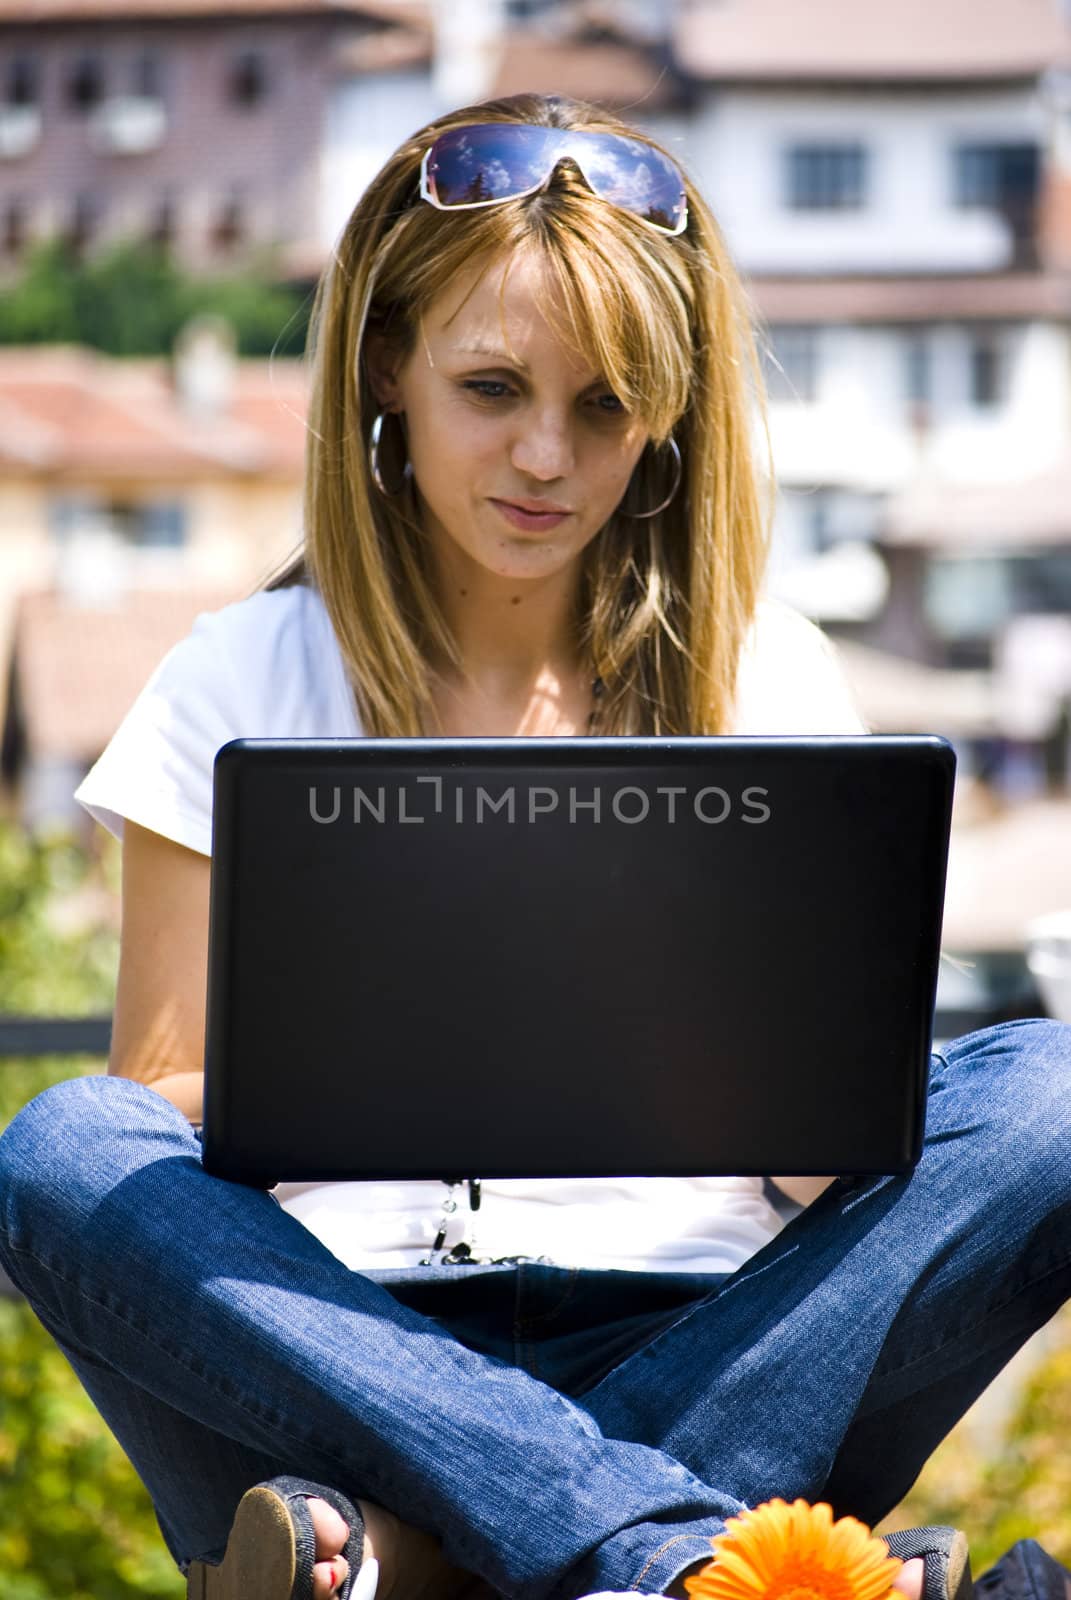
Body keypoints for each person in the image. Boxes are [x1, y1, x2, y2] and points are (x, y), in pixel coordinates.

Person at [0, 93, 1068, 1600]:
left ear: (669, 409)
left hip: (715, 1328)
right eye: (492, 387)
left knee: (1050, 1095)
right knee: (62, 1152)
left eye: (606, 405)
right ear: (388, 364)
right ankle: (664, 1552)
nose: (547, 457)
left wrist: (766, 1107)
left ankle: (433, 1560)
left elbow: (839, 1169)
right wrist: (399, 1064)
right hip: (346, 1348)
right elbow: (157, 1103)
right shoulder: (236, 676)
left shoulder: (768, 676)